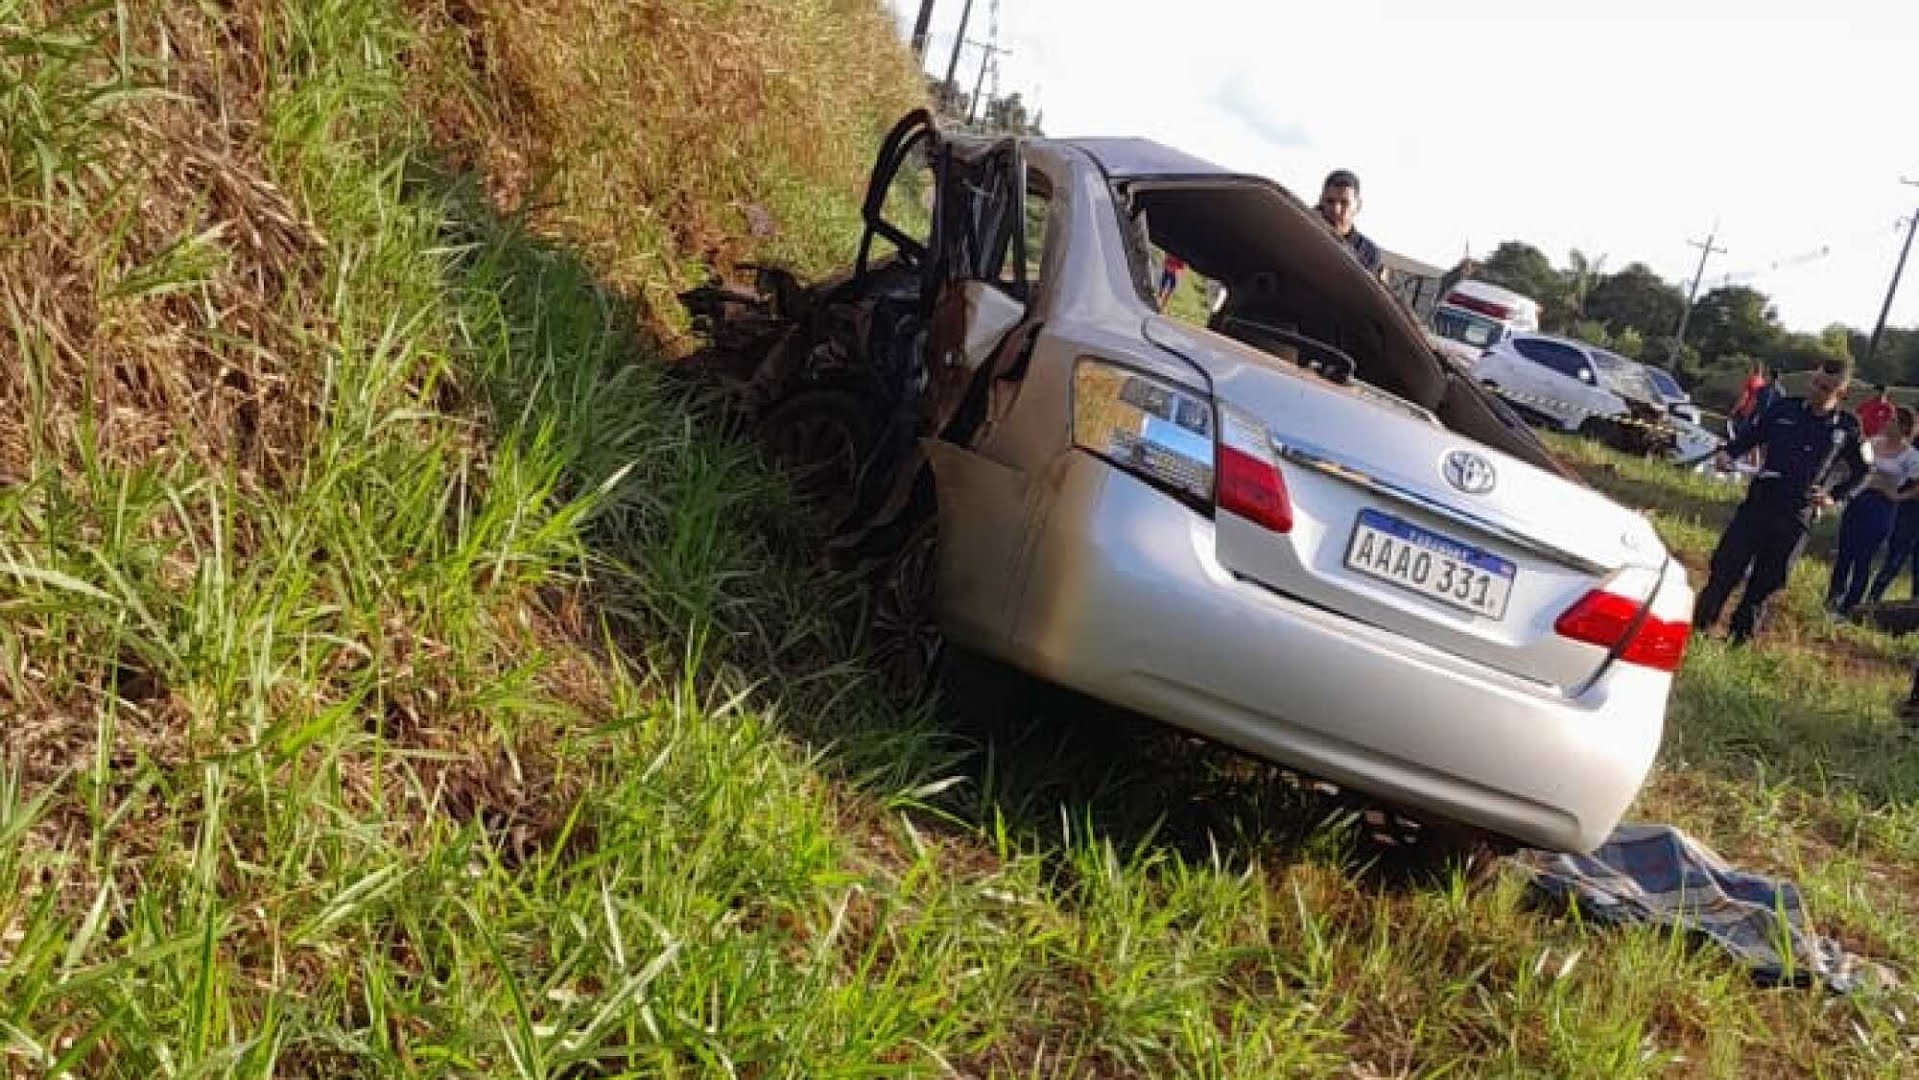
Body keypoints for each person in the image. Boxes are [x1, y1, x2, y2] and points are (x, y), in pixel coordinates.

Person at [1693, 358, 1871, 644]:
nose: (1817, 391)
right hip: (1760, 502)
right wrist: (1730, 453)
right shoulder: (1784, 408)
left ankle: (1739, 641)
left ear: (1841, 393)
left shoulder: (1847, 428)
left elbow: (1863, 472)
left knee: (1765, 584)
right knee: (1726, 568)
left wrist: (1833, 496)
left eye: (1826, 388)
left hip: (1796, 514)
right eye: (1816, 383)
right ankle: (1699, 629)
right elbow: (1751, 436)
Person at [1827, 406, 1919, 617]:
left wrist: (1897, 495)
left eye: (1894, 420)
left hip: (1882, 506)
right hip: (1859, 498)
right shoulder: (1874, 442)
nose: (1888, 422)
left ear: (1904, 427)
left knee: (1863, 557)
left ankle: (1850, 607)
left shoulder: (1911, 456)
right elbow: (1856, 463)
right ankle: (1832, 599)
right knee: (1844, 553)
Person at [1316, 169, 1385, 279]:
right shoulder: (1304, 232)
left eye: (1344, 203)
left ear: (1358, 206)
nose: (1336, 210)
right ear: (1321, 201)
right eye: (1330, 201)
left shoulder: (1369, 252)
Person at [1867, 477, 1919, 604]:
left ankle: (1914, 611)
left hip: (1908, 515)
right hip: (1909, 517)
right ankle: (1871, 603)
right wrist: (1904, 495)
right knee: (1893, 564)